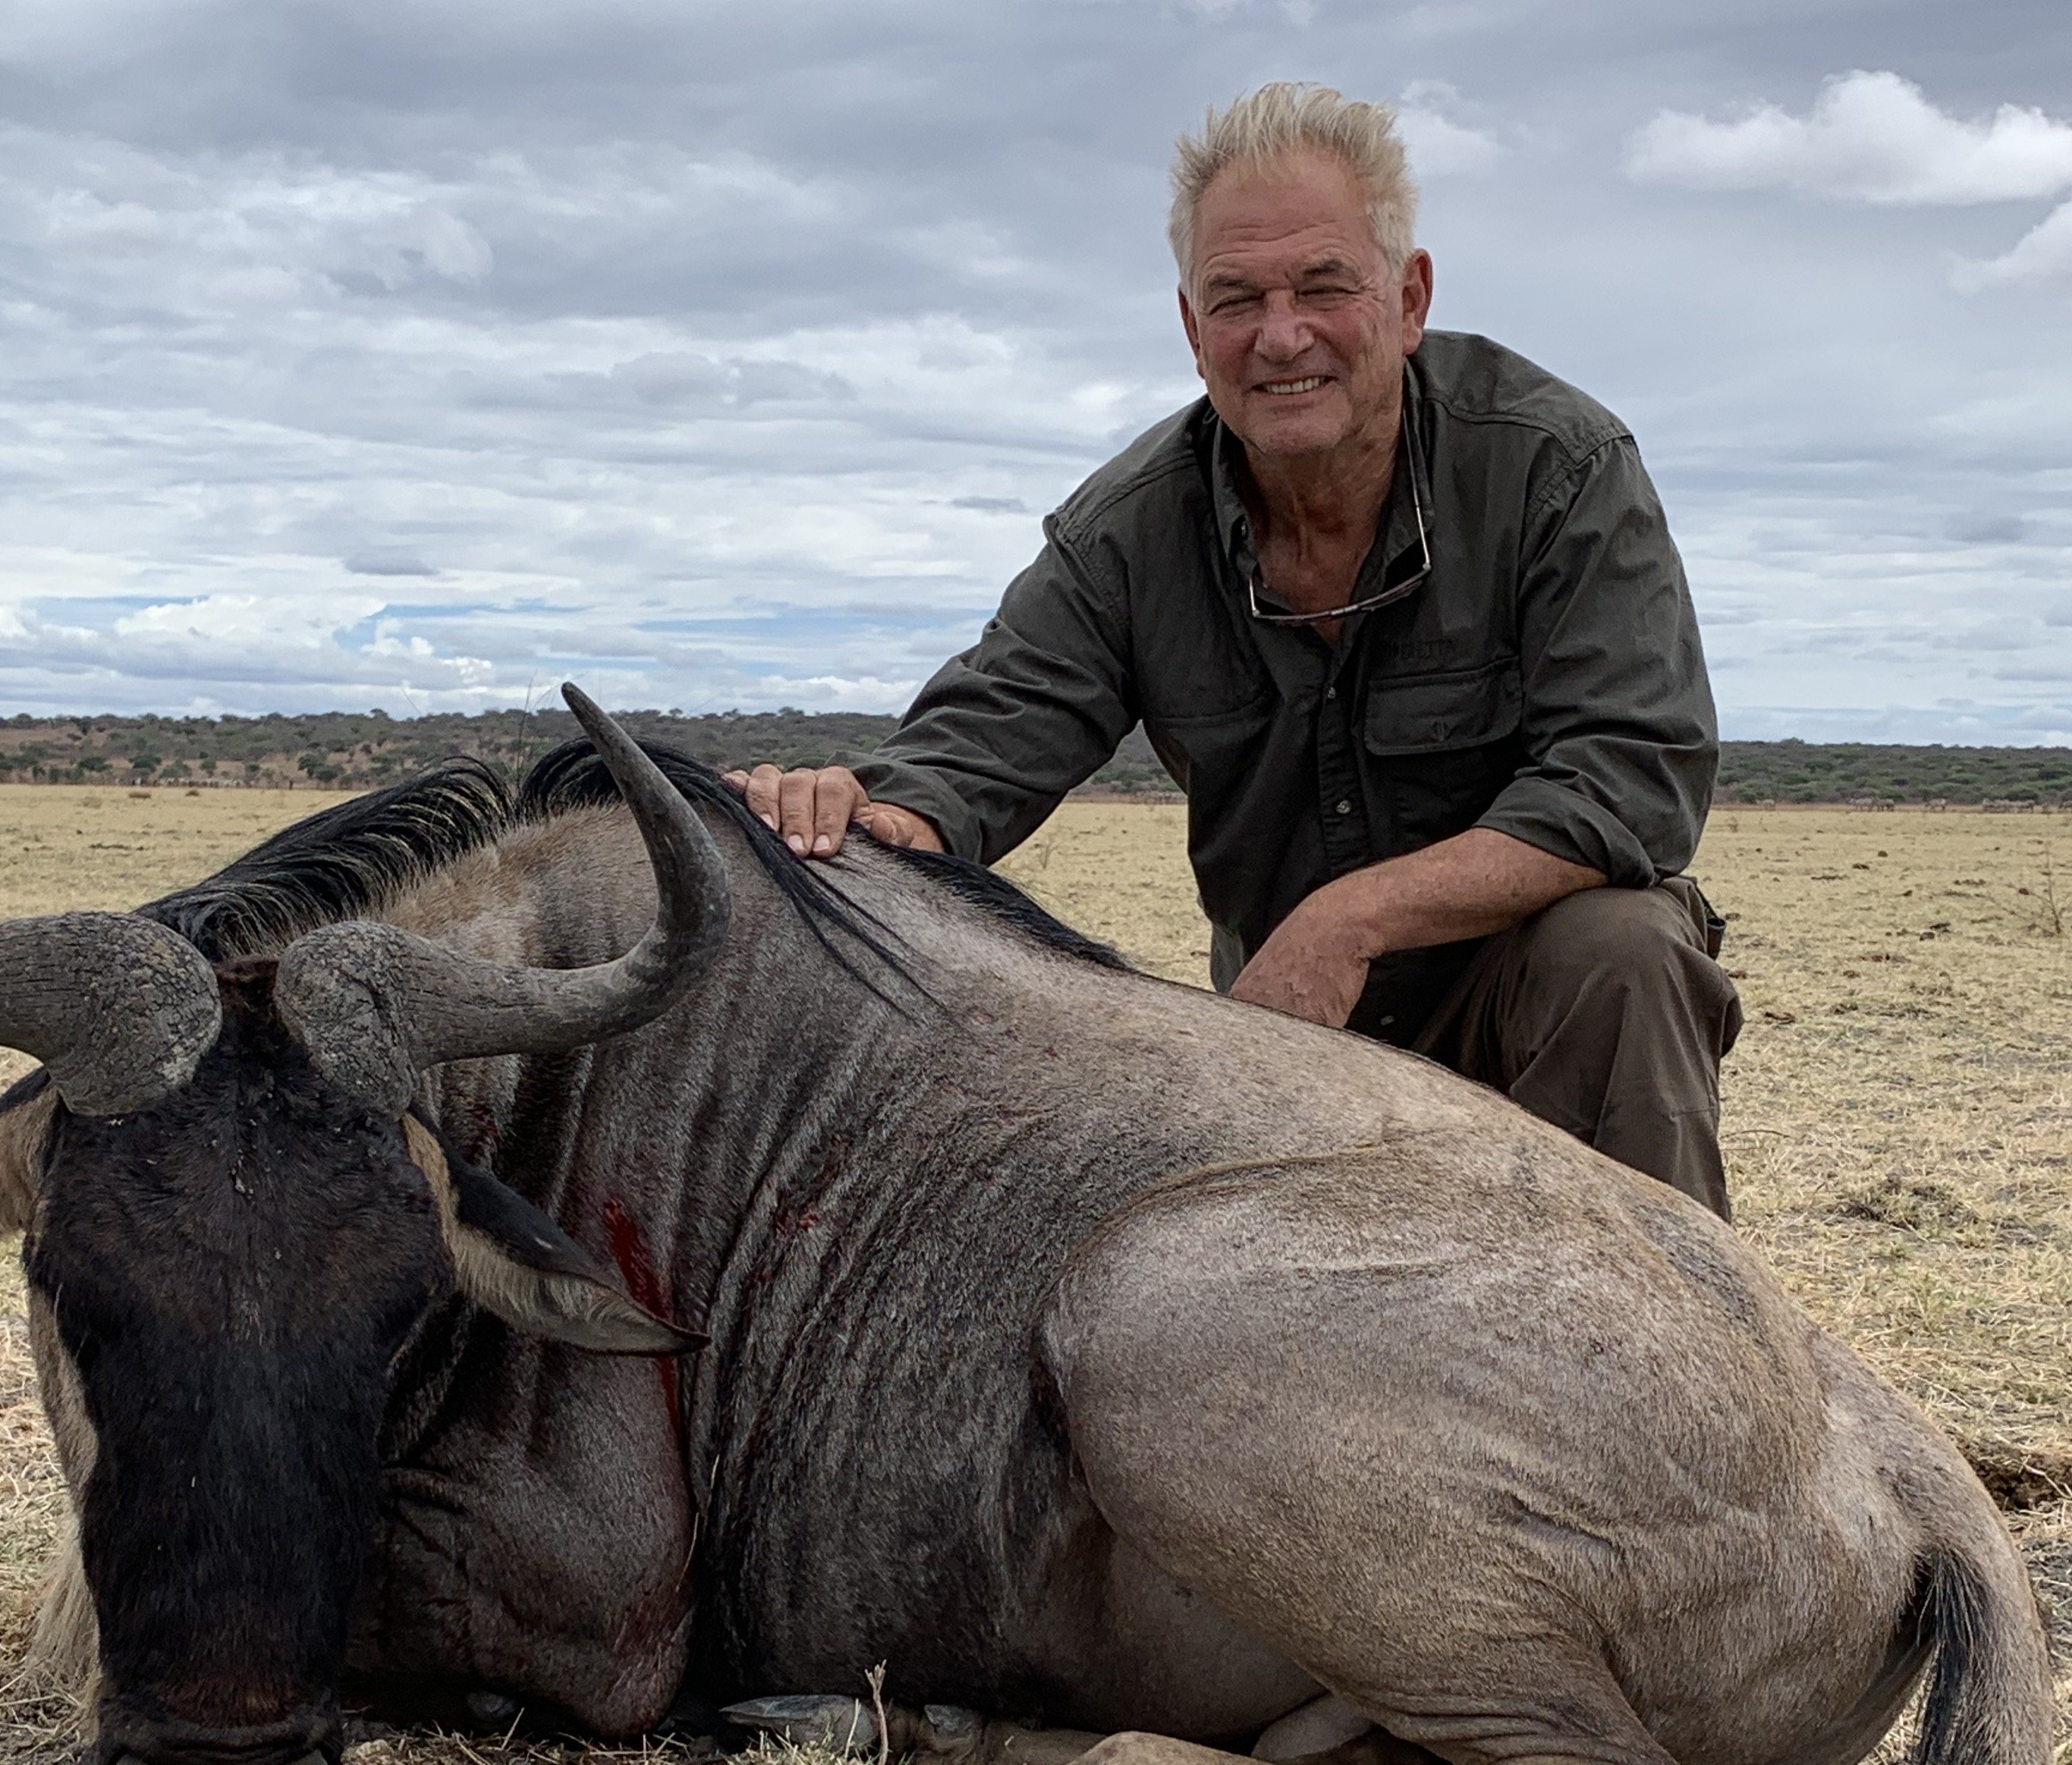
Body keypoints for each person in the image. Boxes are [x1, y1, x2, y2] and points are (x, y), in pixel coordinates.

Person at [730, 82, 1738, 1216]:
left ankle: (1704, 1370)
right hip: (1281, 1036)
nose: (1281, 335)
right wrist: (831, 826)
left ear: (1407, 298)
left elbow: (1631, 774)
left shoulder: (1556, 467)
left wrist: (1347, 921)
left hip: (1516, 1000)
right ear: (1190, 328)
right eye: (1236, 298)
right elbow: (979, 748)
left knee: (1622, 949)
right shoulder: (1125, 532)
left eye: (1323, 286)